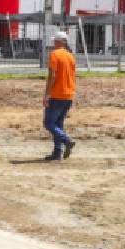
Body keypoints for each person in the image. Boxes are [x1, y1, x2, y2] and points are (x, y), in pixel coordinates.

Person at [42, 30, 77, 161]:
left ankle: (66, 140)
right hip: (68, 94)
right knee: (58, 124)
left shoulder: (55, 54)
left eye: (54, 41)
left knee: (49, 123)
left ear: (58, 42)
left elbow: (52, 75)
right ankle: (57, 152)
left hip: (57, 94)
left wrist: (46, 94)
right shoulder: (70, 56)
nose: (53, 43)